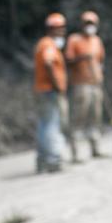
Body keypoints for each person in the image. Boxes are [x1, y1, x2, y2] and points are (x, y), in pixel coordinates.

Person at [65, 10, 107, 161]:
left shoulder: (97, 40)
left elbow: (101, 60)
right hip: (80, 85)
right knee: (78, 117)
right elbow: (68, 60)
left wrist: (100, 74)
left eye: (92, 24)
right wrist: (81, 58)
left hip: (96, 84)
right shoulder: (74, 40)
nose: (90, 26)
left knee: (96, 116)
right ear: (82, 25)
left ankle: (95, 148)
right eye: (87, 23)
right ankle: (75, 153)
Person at [33, 13, 68, 173]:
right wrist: (57, 86)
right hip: (50, 91)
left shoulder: (43, 43)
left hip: (43, 90)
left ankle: (42, 160)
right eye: (59, 29)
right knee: (52, 125)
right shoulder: (48, 45)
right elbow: (48, 63)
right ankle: (53, 161)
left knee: (44, 125)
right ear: (51, 29)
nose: (62, 32)